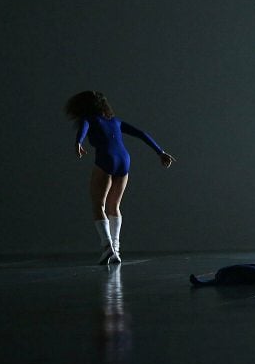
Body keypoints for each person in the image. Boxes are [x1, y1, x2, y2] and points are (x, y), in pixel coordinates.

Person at [65, 91, 175, 264]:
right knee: (114, 206)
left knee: (98, 205)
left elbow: (83, 129)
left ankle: (107, 247)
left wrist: (78, 142)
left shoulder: (90, 119)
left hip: (107, 158)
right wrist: (160, 152)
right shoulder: (115, 121)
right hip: (124, 160)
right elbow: (141, 133)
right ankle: (116, 249)